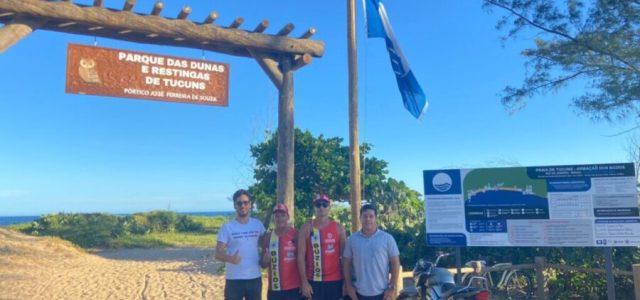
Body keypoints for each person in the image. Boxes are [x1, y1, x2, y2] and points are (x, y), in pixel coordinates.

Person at [215, 189, 266, 300]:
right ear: (235, 205)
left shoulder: (258, 225)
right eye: (239, 203)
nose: (242, 205)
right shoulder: (227, 227)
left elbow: (265, 245)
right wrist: (230, 258)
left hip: (254, 278)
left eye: (246, 202)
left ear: (250, 204)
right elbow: (218, 254)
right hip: (234, 279)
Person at [343, 204, 400, 300]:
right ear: (360, 218)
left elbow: (395, 263)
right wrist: (349, 286)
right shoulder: (352, 239)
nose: (368, 219)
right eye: (365, 216)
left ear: (376, 218)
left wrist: (391, 286)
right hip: (358, 293)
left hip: (383, 294)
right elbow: (346, 263)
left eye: (371, 216)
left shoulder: (387, 238)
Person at [297, 194, 347, 300]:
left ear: (329, 207)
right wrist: (304, 282)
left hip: (335, 281)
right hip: (313, 281)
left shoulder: (339, 228)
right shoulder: (306, 227)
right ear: (314, 207)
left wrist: (346, 282)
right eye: (318, 205)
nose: (321, 207)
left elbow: (344, 257)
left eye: (324, 205)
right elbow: (300, 256)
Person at [261, 203, 302, 300]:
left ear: (288, 217)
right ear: (273, 218)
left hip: (295, 288)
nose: (280, 219)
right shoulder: (268, 237)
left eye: (283, 215)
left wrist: (304, 283)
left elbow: (304, 260)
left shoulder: (296, 234)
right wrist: (265, 260)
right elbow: (263, 265)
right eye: (277, 216)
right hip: (275, 289)